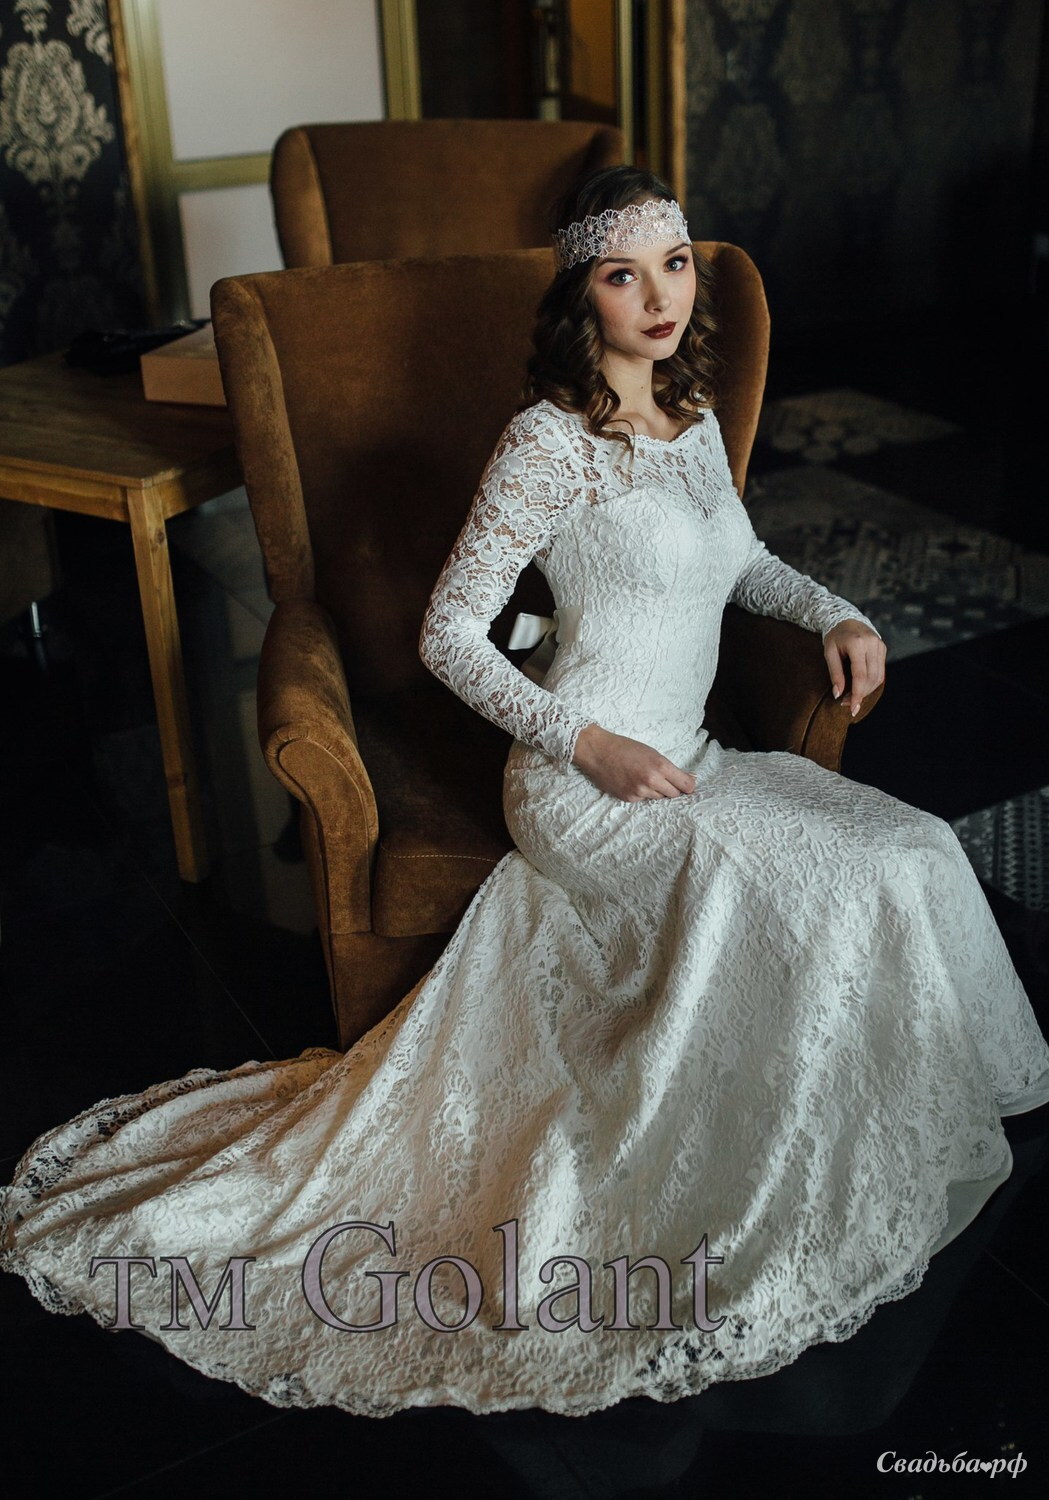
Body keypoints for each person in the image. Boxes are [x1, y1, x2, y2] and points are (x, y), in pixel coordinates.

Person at [3, 166, 1048, 1421]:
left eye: (673, 264)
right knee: (800, 890)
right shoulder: (545, 445)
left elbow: (742, 560)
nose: (659, 296)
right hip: (580, 785)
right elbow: (450, 633)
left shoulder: (690, 414)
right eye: (623, 274)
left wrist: (833, 609)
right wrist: (586, 744)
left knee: (914, 847)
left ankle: (889, 1126)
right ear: (580, 296)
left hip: (691, 756)